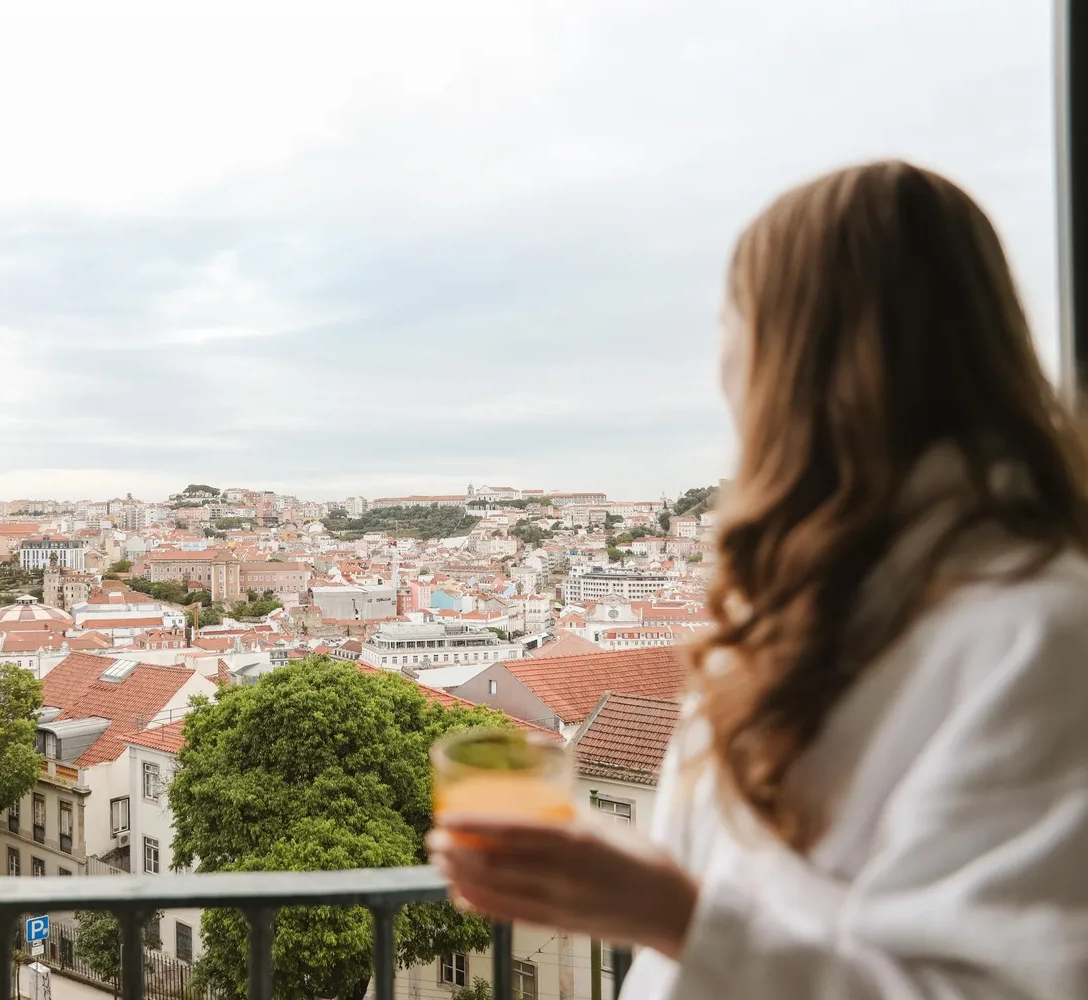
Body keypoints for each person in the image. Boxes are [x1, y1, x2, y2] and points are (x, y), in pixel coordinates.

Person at [428, 160, 1088, 999]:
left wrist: (674, 915)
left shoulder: (1041, 633)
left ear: (799, 359)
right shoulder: (803, 593)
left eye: (732, 327)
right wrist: (635, 875)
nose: (723, 370)